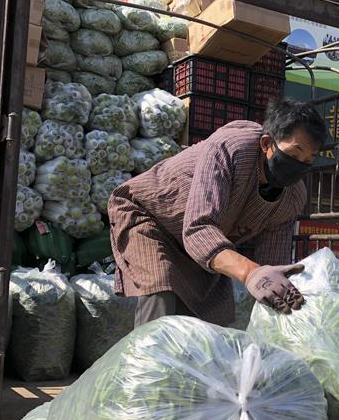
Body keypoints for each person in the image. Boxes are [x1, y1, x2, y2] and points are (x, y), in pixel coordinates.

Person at [108, 97, 326, 327]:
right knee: (163, 299)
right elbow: (198, 229)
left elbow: (272, 260)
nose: (299, 165)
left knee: (212, 321)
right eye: (293, 155)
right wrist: (250, 273)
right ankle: (146, 362)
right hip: (150, 219)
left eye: (308, 160)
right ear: (266, 144)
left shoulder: (292, 197)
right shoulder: (232, 149)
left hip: (204, 244)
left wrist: (280, 296)